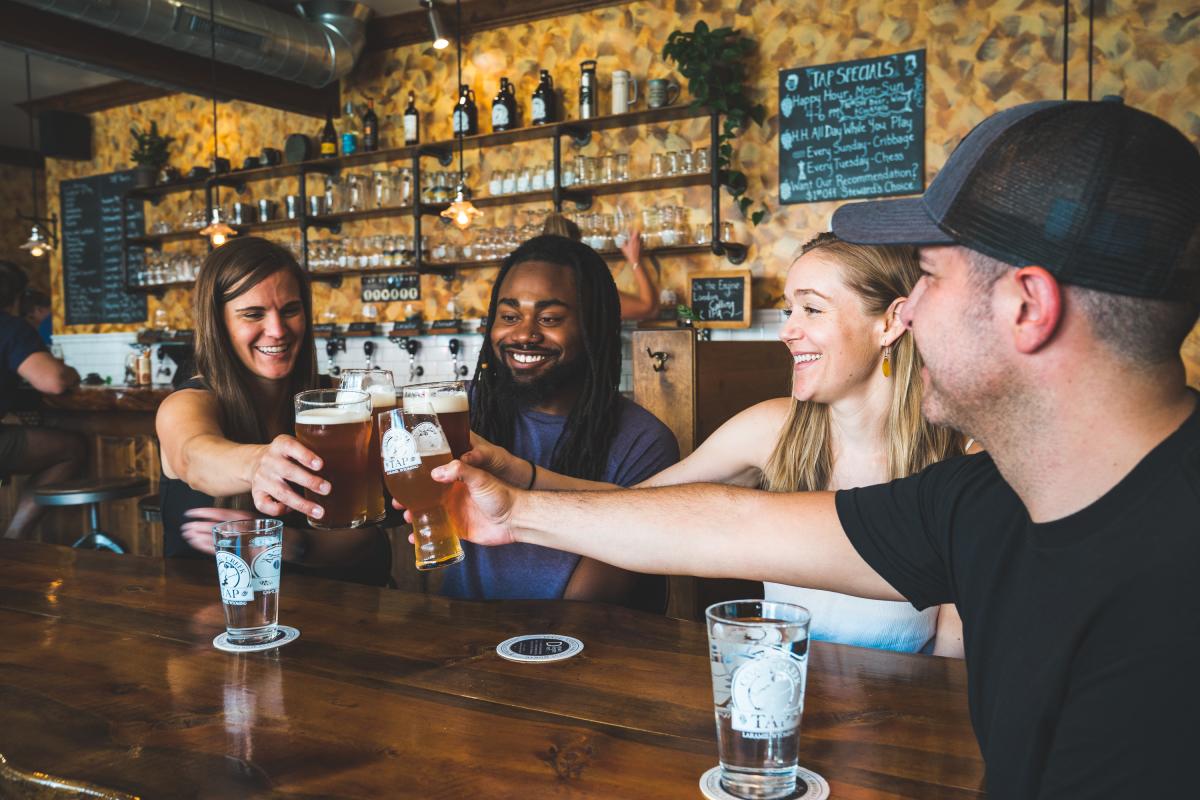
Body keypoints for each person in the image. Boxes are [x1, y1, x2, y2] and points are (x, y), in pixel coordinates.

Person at [420, 100, 1200, 798]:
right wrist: (516, 508)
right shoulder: (982, 497)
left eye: (929, 277)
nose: (911, 309)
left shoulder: (1165, 591)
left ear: (1027, 306)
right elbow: (726, 526)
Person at [464, 232, 966, 654]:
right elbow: (638, 508)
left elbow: (952, 667)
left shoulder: (960, 460)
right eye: (789, 310)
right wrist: (518, 475)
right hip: (777, 708)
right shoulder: (775, 430)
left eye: (811, 309)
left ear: (890, 322)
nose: (787, 331)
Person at [442, 233, 678, 603]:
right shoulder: (458, 411)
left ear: (592, 328)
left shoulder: (642, 440)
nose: (523, 333)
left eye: (549, 318)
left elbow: (589, 606)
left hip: (574, 650)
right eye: (508, 316)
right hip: (454, 641)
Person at [156, 237, 389, 584]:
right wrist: (257, 464)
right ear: (218, 323)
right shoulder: (188, 403)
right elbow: (192, 456)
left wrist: (292, 545)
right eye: (253, 314)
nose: (278, 330)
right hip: (216, 620)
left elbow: (367, 536)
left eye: (290, 310)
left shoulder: (341, 402)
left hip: (343, 611)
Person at [0, 261, 85, 539]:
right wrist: (70, 371)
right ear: (16, 298)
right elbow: (53, 381)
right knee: (71, 447)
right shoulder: (10, 327)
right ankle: (14, 540)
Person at [542, 213, 658, 320]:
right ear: (579, 247)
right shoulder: (584, 286)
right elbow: (648, 309)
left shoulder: (537, 284)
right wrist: (635, 259)